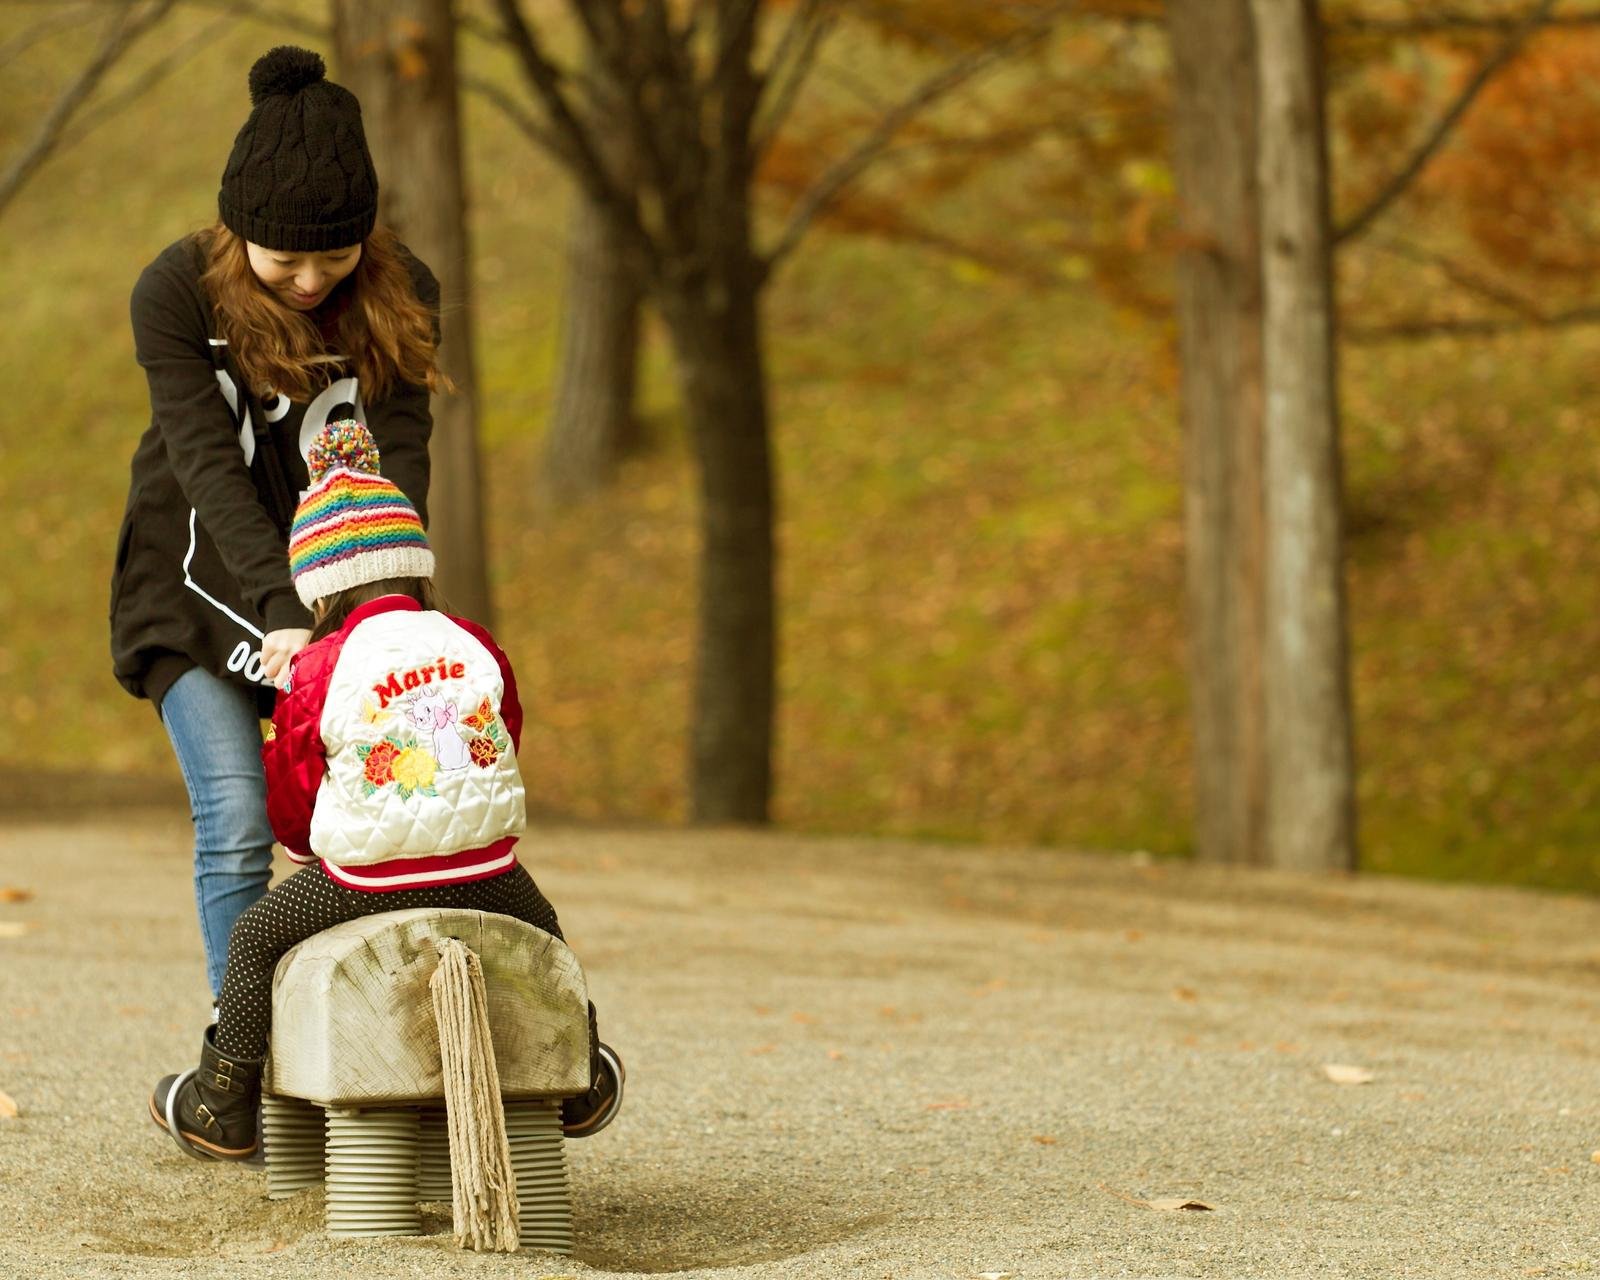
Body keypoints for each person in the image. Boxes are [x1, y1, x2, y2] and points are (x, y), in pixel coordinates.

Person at [148, 421, 625, 1160]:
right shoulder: (471, 640)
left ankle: (223, 1100)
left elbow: (295, 785)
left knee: (254, 938)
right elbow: (505, 732)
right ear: (415, 568)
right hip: (487, 867)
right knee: (547, 933)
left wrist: (307, 846)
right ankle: (583, 1073)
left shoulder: (319, 667)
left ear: (318, 590)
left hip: (367, 880)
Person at [111, 45, 440, 1000]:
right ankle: (238, 1053)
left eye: (332, 257)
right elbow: (206, 466)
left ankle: (355, 1040)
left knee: (367, 814)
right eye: (282, 257)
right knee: (238, 815)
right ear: (237, 228)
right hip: (196, 578)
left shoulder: (400, 292)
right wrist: (280, 608)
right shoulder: (173, 293)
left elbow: (401, 453)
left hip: (339, 588)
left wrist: (379, 602)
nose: (306, 280)